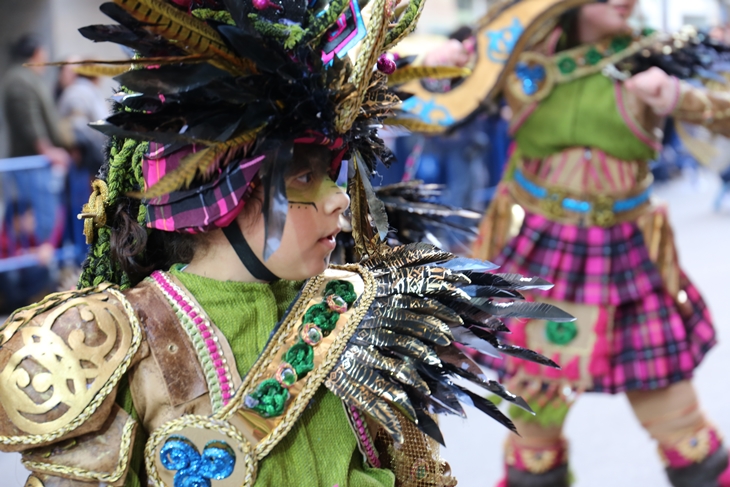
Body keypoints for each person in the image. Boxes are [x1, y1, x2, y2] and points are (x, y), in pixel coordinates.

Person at [0, 2, 570, 486]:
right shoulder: (111, 346)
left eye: (334, 173)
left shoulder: (364, 312)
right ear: (217, 191)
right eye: (301, 177)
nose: (339, 200)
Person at [452, 0, 730, 485]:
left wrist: (677, 95)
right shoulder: (518, 54)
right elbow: (429, 107)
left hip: (626, 259)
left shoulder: (652, 54)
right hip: (543, 256)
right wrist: (437, 70)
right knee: (533, 434)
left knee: (682, 426)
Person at [2, 34, 71, 245]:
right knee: (42, 221)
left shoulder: (24, 77)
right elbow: (29, 119)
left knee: (46, 218)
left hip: (36, 162)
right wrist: (47, 149)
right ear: (37, 54)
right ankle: (40, 273)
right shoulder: (19, 79)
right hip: (33, 162)